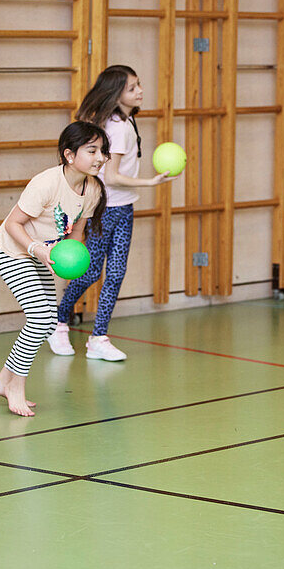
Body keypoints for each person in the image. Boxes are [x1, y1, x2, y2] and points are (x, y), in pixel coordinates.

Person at [45, 65, 172, 361]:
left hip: (123, 207)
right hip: (104, 209)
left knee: (115, 274)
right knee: (90, 272)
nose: (139, 91)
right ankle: (58, 321)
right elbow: (110, 176)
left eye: (139, 85)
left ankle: (99, 336)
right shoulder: (116, 127)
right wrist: (150, 182)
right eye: (132, 88)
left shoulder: (124, 122)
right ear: (116, 94)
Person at [0, 121, 108, 415]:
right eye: (92, 150)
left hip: (45, 253)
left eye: (103, 151)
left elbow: (77, 233)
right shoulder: (46, 183)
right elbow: (13, 224)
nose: (100, 157)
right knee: (42, 318)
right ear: (69, 155)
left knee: (45, 319)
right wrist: (35, 249)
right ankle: (14, 385)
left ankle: (4, 379)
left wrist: (70, 262)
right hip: (13, 250)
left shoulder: (91, 189)